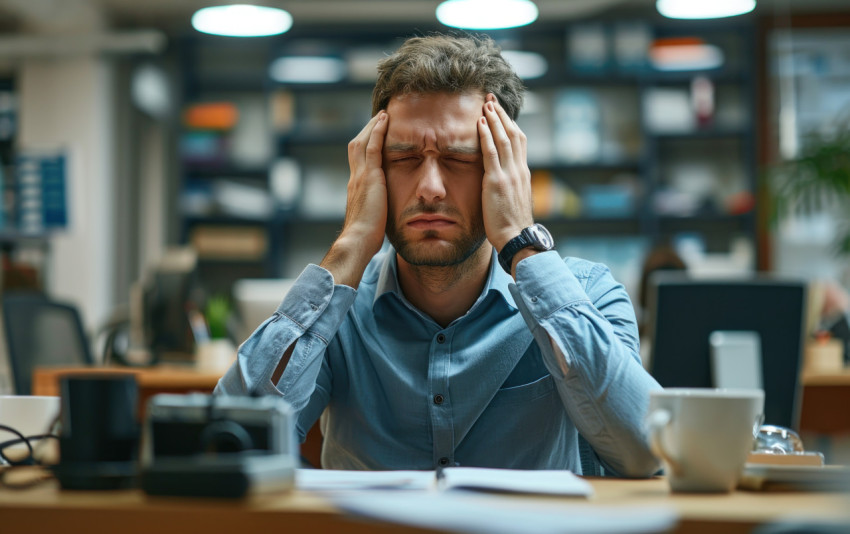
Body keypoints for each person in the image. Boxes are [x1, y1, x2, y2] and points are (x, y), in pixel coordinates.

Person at [215, 34, 661, 477]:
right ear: (372, 171)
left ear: (504, 171)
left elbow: (646, 453)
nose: (430, 187)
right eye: (404, 158)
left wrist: (523, 243)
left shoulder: (588, 294)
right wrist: (351, 244)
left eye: (460, 159)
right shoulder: (336, 312)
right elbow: (227, 448)